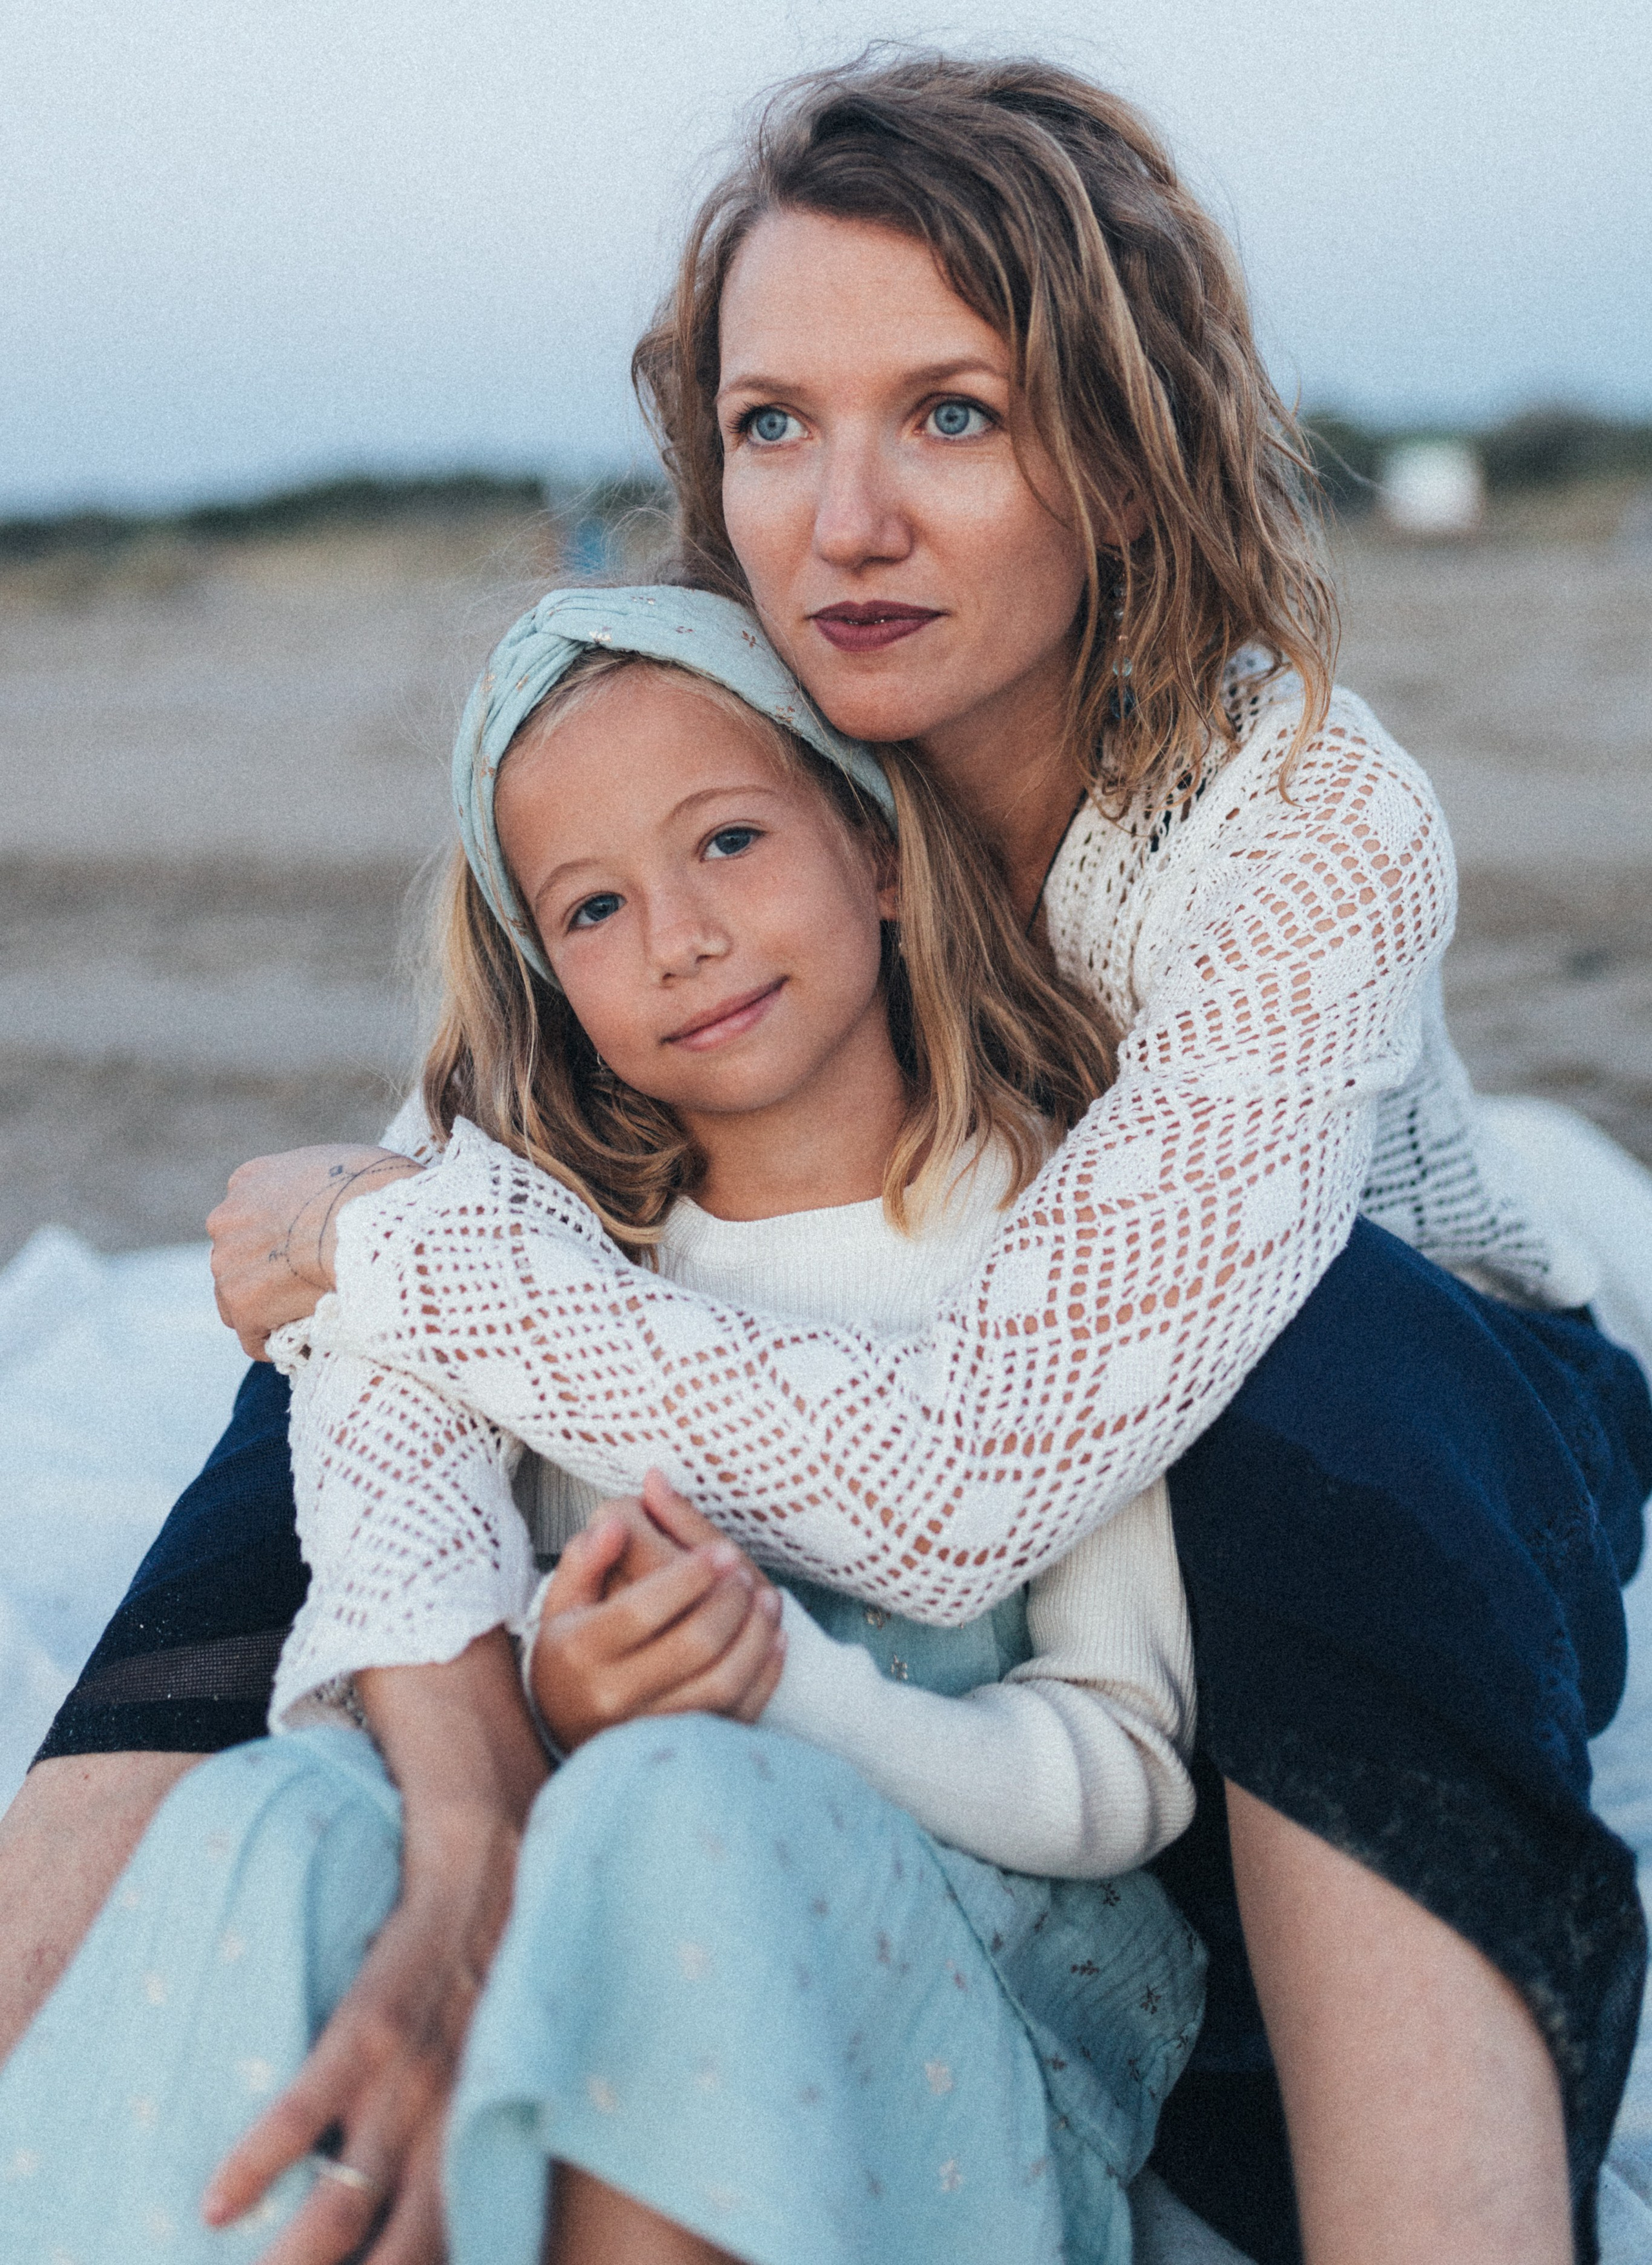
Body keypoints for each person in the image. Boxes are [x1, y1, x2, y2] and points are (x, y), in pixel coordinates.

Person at [5, 52, 1649, 2265]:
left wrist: (402, 1247)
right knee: (355, 1322)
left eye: (953, 414)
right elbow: (409, 1296)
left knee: (1328, 1350)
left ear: (1126, 455)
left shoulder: (1301, 827)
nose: (841, 521)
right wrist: (473, 1801)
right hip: (899, 1536)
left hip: (1366, 1445)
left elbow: (972, 1482)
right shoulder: (703, 739)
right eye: (777, 423)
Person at [0, 591, 1210, 2265]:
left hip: (957, 1986)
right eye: (593, 906)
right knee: (268, 1820)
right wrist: (559, 1697)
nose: (680, 936)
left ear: (874, 848)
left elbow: (1128, 1770)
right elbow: (449, 1619)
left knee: (676, 1801)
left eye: (727, 839)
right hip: (596, 1924)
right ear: (551, 980)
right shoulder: (545, 1257)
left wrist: (790, 1690)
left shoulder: (1047, 1241)